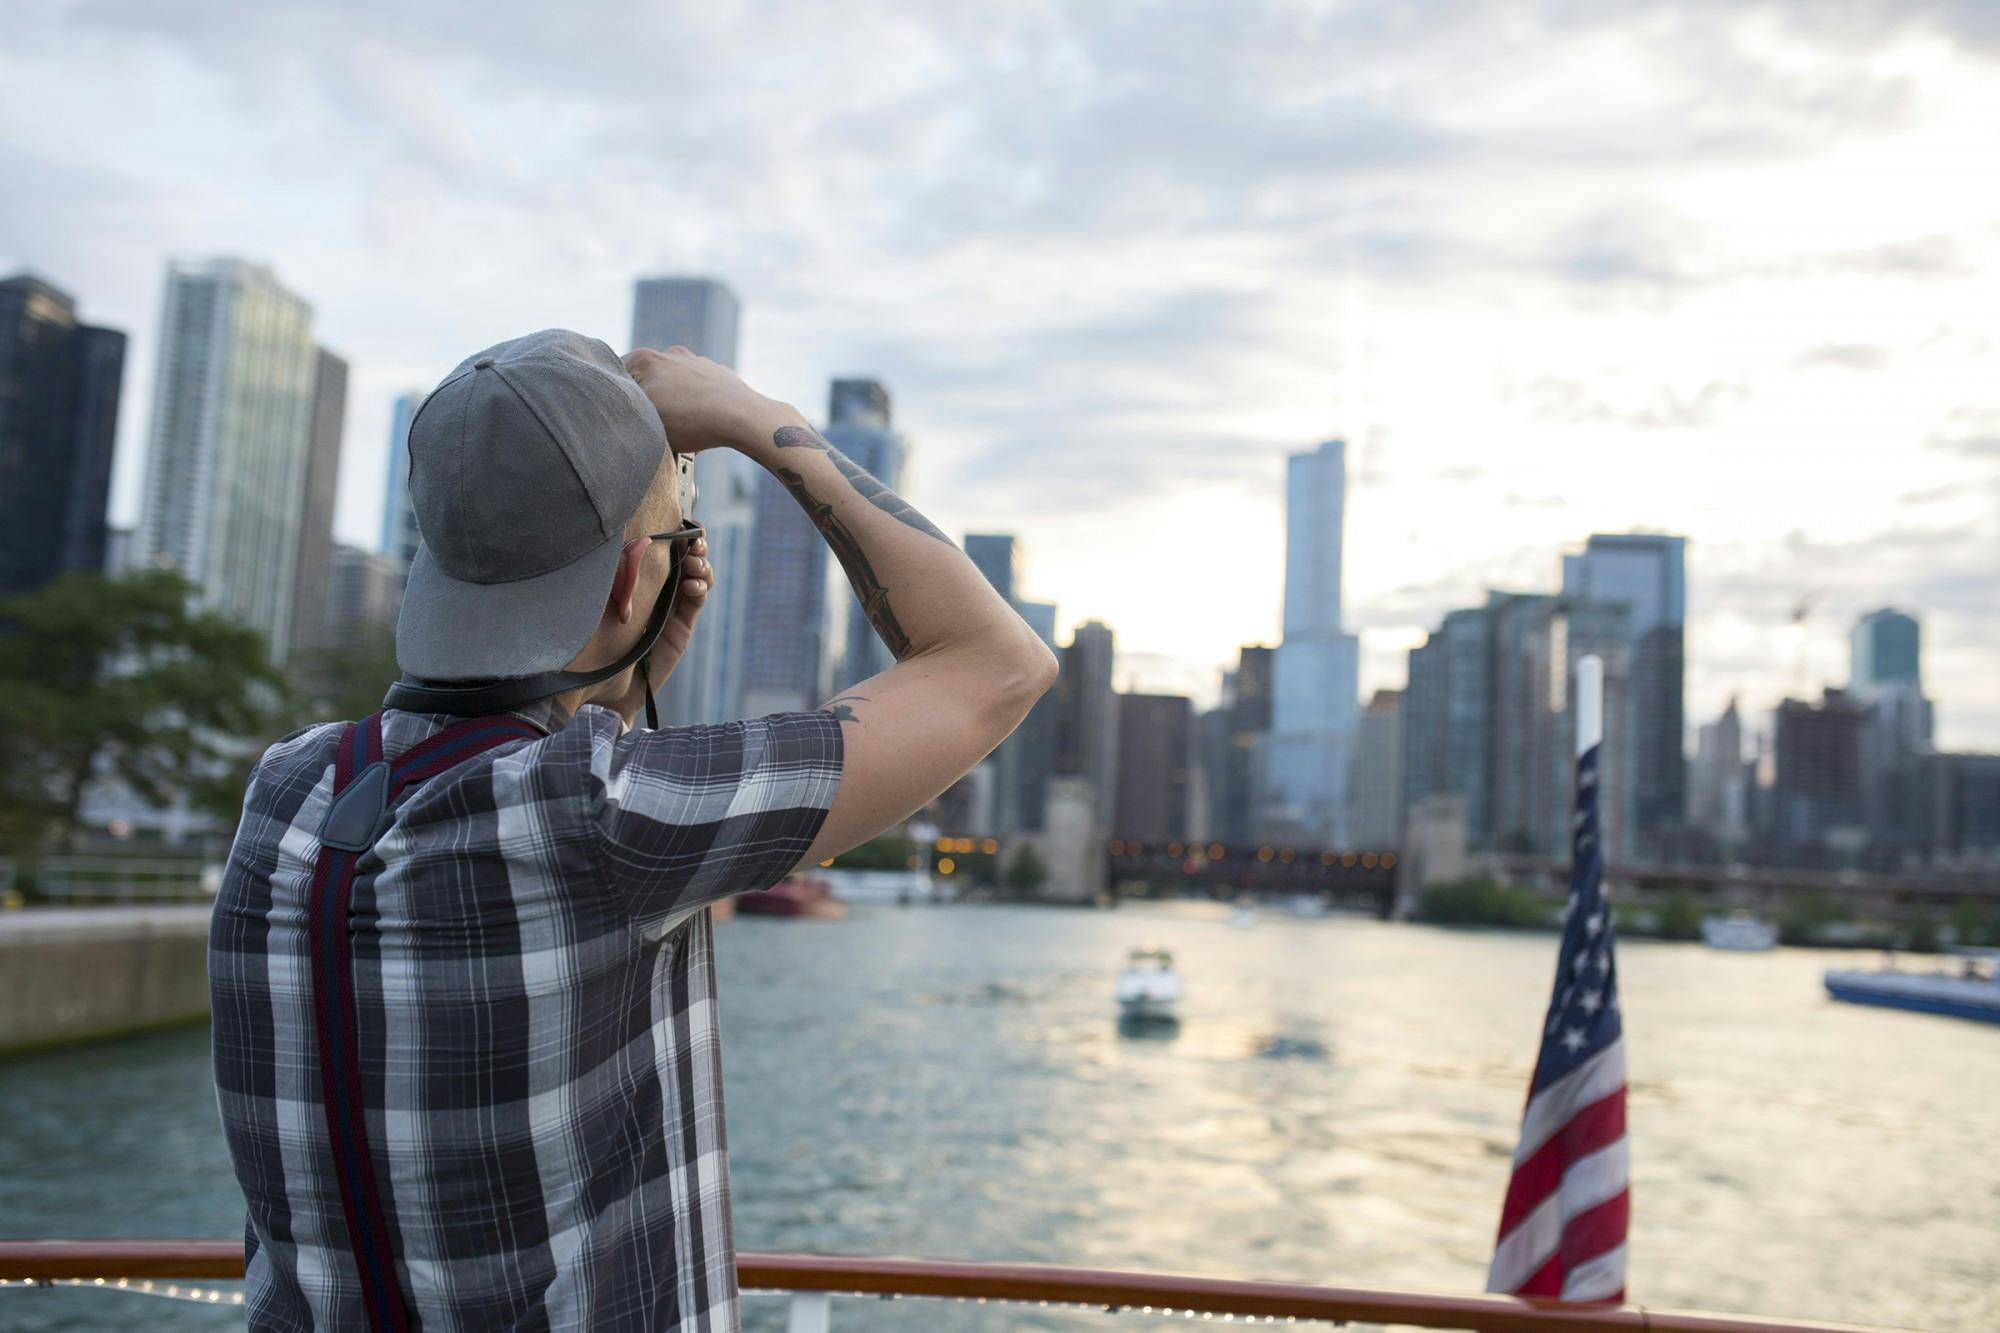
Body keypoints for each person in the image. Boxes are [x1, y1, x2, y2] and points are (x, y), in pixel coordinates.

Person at [209, 329, 1058, 1331]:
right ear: (627, 580)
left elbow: (478, 776)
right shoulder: (605, 815)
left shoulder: (286, 787)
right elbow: (997, 662)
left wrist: (618, 679)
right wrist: (753, 416)